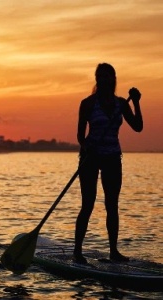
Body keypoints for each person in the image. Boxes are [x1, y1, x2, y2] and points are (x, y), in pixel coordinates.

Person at [73, 63, 143, 264]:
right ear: (96, 80)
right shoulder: (87, 103)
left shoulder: (121, 103)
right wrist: (87, 147)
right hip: (90, 158)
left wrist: (136, 102)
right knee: (87, 204)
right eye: (99, 76)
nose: (103, 80)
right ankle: (77, 251)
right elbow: (80, 136)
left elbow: (138, 127)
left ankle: (113, 251)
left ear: (113, 79)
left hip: (112, 158)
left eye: (107, 76)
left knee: (112, 205)